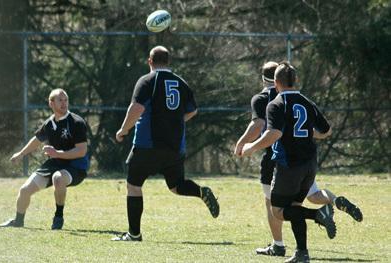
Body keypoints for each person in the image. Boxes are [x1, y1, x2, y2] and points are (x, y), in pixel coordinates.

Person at [235, 62, 362, 258]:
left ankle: (317, 215)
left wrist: (251, 146)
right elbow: (326, 131)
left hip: (289, 165)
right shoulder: (307, 102)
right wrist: (301, 133)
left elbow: (274, 133)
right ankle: (302, 253)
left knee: (278, 211)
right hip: (310, 163)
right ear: (296, 80)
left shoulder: (275, 104)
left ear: (276, 83)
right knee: (296, 206)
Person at [112, 46, 220, 242]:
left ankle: (134, 234)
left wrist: (123, 130)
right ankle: (200, 191)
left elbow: (136, 108)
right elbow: (192, 110)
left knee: (134, 186)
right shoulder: (181, 83)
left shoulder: (147, 80)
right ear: (168, 62)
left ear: (149, 61)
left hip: (147, 145)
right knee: (176, 186)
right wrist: (175, 121)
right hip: (174, 146)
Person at [0, 88, 90, 230]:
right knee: (24, 190)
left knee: (58, 178)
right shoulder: (49, 124)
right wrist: (21, 154)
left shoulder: (76, 122)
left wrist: (57, 153)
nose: (64, 103)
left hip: (75, 167)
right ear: (51, 103)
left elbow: (81, 151)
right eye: (60, 100)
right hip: (54, 163)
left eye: (66, 100)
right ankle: (18, 221)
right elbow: (36, 140)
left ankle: (58, 217)